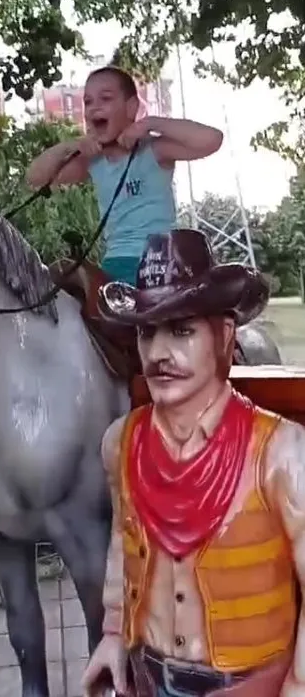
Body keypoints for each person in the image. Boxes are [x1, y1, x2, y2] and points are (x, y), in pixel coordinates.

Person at [82, 228, 305, 697]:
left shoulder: (282, 454)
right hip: (146, 674)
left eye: (181, 331)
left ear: (223, 336)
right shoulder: (120, 443)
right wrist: (111, 634)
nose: (159, 354)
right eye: (147, 331)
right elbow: (124, 543)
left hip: (250, 684)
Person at [26, 68, 223, 285]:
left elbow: (212, 139)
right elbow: (35, 177)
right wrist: (70, 145)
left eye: (106, 98)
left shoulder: (154, 150)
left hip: (160, 261)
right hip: (114, 264)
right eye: (88, 102)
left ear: (132, 108)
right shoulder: (93, 162)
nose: (94, 107)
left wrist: (150, 123)